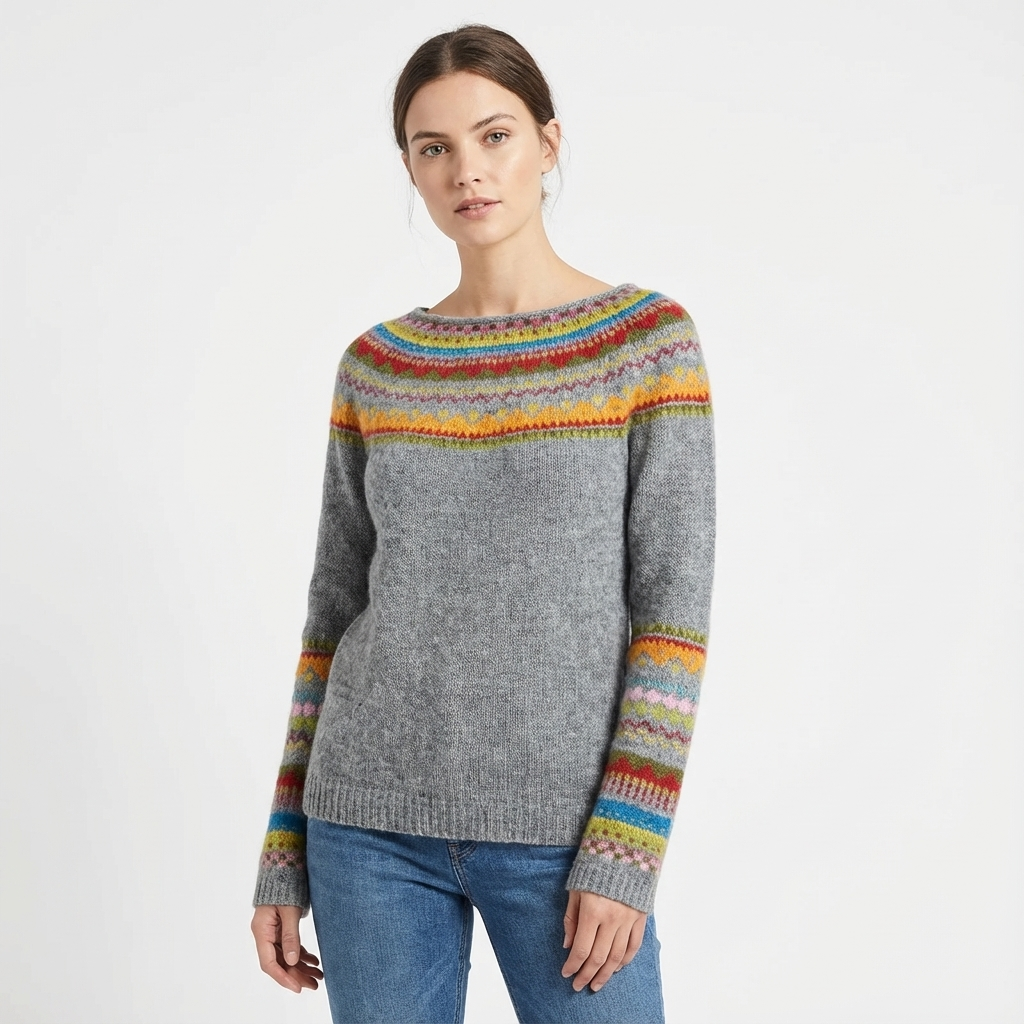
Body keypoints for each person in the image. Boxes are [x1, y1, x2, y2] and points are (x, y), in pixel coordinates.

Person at [249, 22, 716, 1024]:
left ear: (548, 143)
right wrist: (284, 847)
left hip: (566, 835)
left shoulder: (645, 344)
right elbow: (332, 614)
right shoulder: (379, 366)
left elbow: (672, 617)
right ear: (411, 169)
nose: (467, 169)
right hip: (366, 827)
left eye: (494, 135)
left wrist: (627, 849)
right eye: (435, 147)